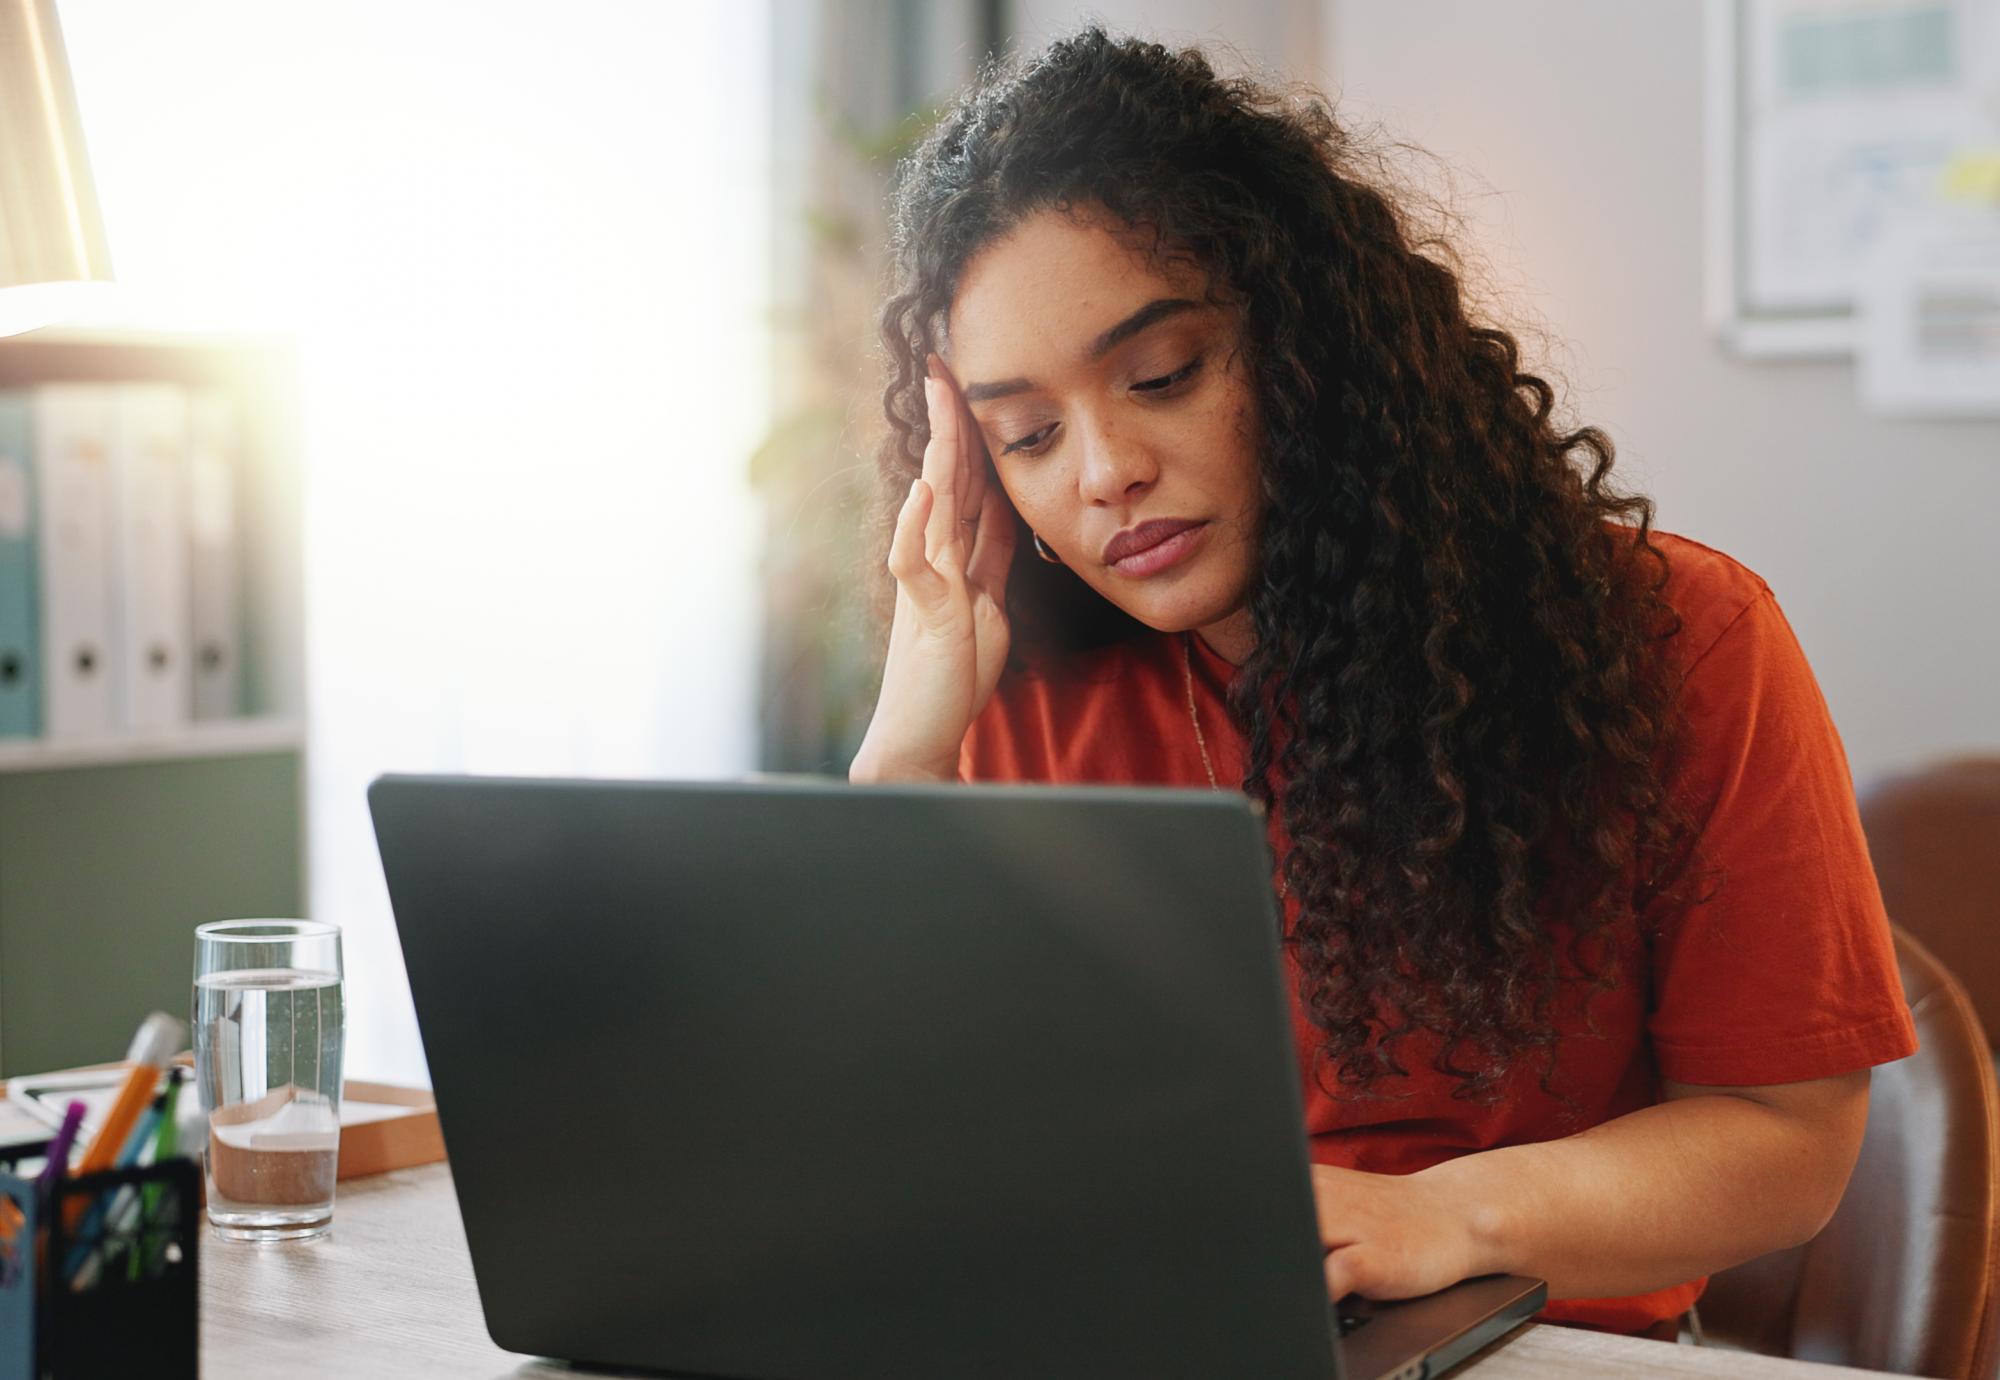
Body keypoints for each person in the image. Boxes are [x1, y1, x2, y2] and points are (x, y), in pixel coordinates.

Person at [847, 27, 1916, 1338]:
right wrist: (904, 757)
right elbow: (906, 1156)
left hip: (1550, 1348)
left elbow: (1790, 1143)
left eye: (1163, 376)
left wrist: (1440, 1217)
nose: (1104, 468)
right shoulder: (1024, 693)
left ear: (1306, 341)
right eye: (1027, 434)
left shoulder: (1680, 638)